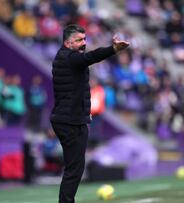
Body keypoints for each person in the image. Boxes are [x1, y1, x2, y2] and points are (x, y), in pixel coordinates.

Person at [50, 24, 129, 203]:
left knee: (75, 168)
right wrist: (113, 49)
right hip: (69, 121)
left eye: (85, 39)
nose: (83, 43)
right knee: (74, 169)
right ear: (68, 42)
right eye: (79, 40)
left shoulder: (68, 57)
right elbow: (91, 57)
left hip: (73, 119)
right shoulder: (69, 57)